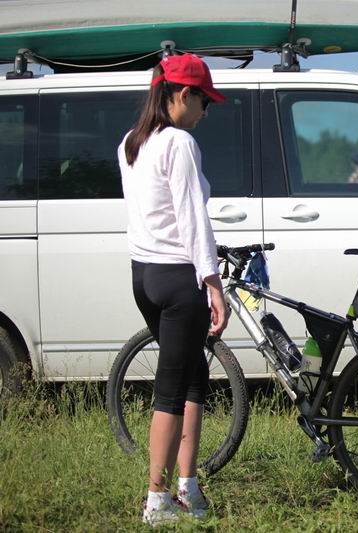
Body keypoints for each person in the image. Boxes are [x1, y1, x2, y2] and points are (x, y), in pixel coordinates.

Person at [118, 53, 228, 525]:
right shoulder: (179, 142)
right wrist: (213, 282)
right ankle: (157, 501)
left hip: (144, 274)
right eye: (205, 101)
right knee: (171, 389)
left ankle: (188, 486)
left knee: (192, 380)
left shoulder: (131, 142)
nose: (207, 111)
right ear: (183, 94)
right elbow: (192, 217)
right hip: (180, 278)